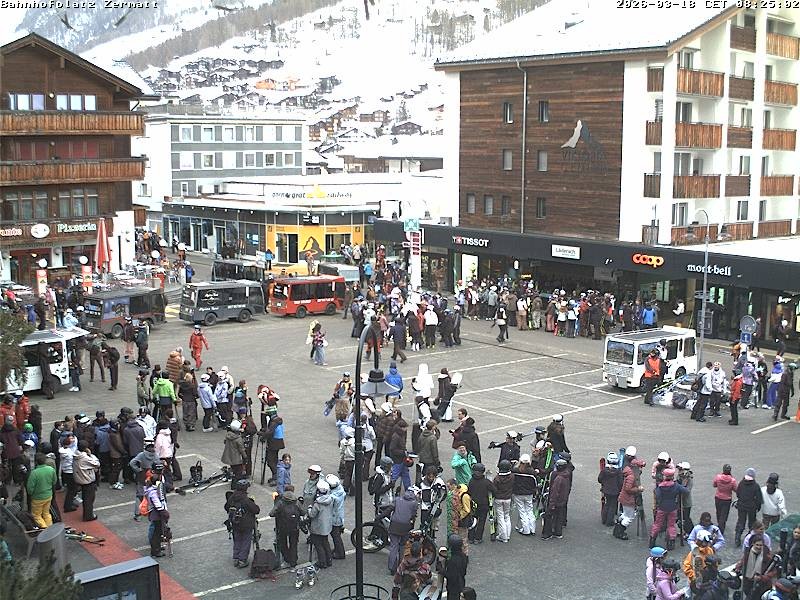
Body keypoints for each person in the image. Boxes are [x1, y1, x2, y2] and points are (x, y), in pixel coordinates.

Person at [224, 479, 260, 568]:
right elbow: (256, 510)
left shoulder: (232, 497)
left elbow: (226, 507)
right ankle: (242, 560)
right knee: (245, 541)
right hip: (246, 524)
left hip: (235, 523)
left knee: (237, 540)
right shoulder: (246, 500)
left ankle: (236, 557)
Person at [734, 533, 778, 600]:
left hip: (762, 586)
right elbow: (743, 561)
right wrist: (738, 567)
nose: (759, 547)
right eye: (757, 545)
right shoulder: (748, 552)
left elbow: (773, 572)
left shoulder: (767, 556)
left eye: (761, 545)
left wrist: (762, 577)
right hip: (748, 583)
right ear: (753, 544)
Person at [270, 490, 304, 568]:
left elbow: (271, 513)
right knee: (294, 544)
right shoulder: (297, 503)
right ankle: (293, 561)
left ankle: (287, 558)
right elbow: (303, 512)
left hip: (282, 527)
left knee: (283, 544)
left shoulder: (280, 503)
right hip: (294, 527)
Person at [388, 487, 418, 574]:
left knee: (393, 546)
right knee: (402, 546)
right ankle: (401, 566)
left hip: (394, 525)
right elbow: (413, 515)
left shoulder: (397, 499)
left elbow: (390, 509)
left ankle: (391, 568)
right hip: (405, 527)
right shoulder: (414, 503)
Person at [143, 463, 169, 558]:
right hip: (156, 512)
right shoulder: (152, 490)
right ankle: (155, 550)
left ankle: (157, 546)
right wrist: (163, 511)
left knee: (159, 530)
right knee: (155, 532)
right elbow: (156, 502)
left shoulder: (157, 480)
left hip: (158, 510)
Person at [306, 479, 334, 569]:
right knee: (325, 543)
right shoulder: (330, 500)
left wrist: (310, 507)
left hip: (318, 527)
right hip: (326, 526)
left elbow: (312, 514)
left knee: (318, 545)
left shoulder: (318, 504)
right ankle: (329, 560)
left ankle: (322, 562)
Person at [541, 458, 570, 540]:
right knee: (559, 517)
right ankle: (558, 532)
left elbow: (554, 492)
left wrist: (551, 504)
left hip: (556, 501)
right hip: (562, 500)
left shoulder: (558, 478)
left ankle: (547, 534)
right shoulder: (567, 475)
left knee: (548, 516)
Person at [27, 453, 57, 528]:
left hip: (37, 498)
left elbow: (30, 488)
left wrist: (31, 494)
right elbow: (54, 481)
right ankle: (50, 527)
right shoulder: (51, 469)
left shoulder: (34, 473)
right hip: (48, 495)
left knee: (37, 515)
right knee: (46, 513)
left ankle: (44, 528)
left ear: (36, 462)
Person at [734, 468, 762, 548]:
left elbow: (738, 493)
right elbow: (759, 498)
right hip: (751, 507)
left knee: (741, 521)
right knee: (752, 523)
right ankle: (750, 537)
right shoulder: (756, 486)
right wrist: (758, 506)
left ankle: (737, 537)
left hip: (741, 506)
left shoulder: (741, 483)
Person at [73, 440, 100, 521]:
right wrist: (90, 454)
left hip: (80, 478)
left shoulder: (76, 454)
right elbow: (96, 463)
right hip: (87, 479)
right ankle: (88, 515)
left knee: (86, 498)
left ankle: (87, 514)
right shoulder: (84, 458)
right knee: (89, 499)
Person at [512, 453, 538, 537]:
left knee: (522, 511)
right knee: (529, 511)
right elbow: (535, 484)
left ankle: (526, 529)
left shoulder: (516, 471)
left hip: (518, 493)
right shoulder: (532, 472)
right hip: (529, 494)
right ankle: (532, 529)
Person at [598, 451, 623, 527]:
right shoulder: (618, 471)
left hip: (606, 490)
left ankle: (604, 519)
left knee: (607, 504)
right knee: (612, 506)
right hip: (615, 491)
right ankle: (609, 521)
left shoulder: (604, 470)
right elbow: (621, 482)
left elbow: (599, 479)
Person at [492, 459, 514, 543]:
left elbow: (494, 489)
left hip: (498, 499)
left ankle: (503, 536)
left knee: (500, 517)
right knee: (507, 516)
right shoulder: (512, 476)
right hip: (508, 498)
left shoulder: (497, 478)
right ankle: (507, 535)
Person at [326, 474, 346, 560]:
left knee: (335, 535)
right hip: (340, 516)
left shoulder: (333, 497)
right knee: (336, 535)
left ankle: (340, 553)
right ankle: (338, 549)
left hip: (335, 518)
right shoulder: (340, 490)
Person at [712, 464, 737, 536]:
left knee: (718, 512)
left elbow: (714, 485)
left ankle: (719, 524)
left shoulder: (718, 477)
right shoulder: (732, 480)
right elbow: (736, 489)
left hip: (718, 497)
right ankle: (721, 529)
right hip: (727, 499)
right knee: (724, 514)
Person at [443, 534, 469, 600]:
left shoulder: (453, 560)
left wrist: (442, 570)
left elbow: (451, 576)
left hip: (453, 587)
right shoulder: (464, 556)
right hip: (461, 583)